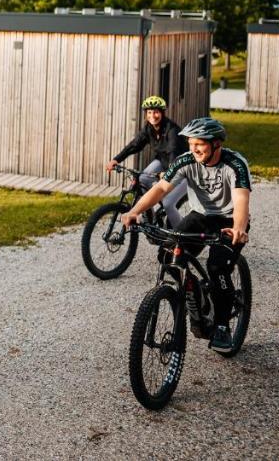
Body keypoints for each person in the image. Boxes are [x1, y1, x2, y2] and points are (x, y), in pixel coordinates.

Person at [121, 116, 251, 353]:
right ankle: (198, 295)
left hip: (229, 220)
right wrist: (134, 211)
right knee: (168, 256)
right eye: (191, 144)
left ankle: (222, 325)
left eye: (199, 144)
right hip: (200, 215)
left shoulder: (235, 164)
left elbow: (241, 199)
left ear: (215, 144)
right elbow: (160, 188)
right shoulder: (186, 161)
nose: (194, 149)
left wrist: (239, 228)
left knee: (217, 267)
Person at [105, 95, 190, 227]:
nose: (152, 115)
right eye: (149, 112)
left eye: (156, 112)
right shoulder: (149, 129)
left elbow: (173, 152)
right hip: (162, 161)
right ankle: (149, 211)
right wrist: (116, 159)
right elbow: (134, 145)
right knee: (143, 178)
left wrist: (168, 173)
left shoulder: (171, 130)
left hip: (181, 169)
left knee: (168, 203)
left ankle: (179, 238)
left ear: (162, 113)